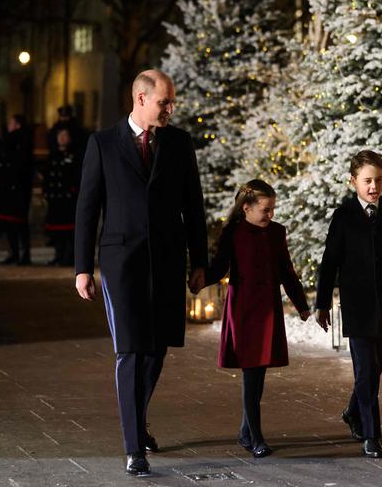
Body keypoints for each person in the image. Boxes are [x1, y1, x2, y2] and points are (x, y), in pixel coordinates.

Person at [74, 70, 209, 476]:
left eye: (172, 103)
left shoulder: (179, 142)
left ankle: (137, 415)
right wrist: (83, 268)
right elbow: (87, 208)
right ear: (140, 98)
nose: (171, 109)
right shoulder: (102, 144)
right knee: (130, 350)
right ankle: (134, 447)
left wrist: (199, 261)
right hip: (121, 262)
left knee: (157, 349)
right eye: (164, 102)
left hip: (167, 260)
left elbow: (194, 206)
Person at [315, 150, 382, 458]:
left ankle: (353, 411)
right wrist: (322, 303)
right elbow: (329, 262)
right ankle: (371, 434)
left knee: (376, 367)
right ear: (354, 182)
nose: (373, 186)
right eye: (367, 181)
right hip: (356, 306)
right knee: (364, 370)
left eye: (378, 180)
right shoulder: (343, 216)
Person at [205, 179, 310, 458]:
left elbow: (287, 271)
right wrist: (198, 280)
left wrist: (302, 305)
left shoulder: (276, 232)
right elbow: (218, 268)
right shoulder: (234, 233)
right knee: (251, 374)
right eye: (265, 209)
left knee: (258, 374)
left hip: (268, 309)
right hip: (243, 311)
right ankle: (256, 438)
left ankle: (245, 431)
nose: (270, 215)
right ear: (247, 208)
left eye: (273, 209)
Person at [42, 128, 81, 266]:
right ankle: (58, 255)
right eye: (60, 135)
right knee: (56, 230)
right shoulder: (53, 155)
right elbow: (47, 176)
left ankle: (69, 257)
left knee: (69, 230)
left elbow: (78, 175)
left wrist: (74, 191)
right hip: (55, 199)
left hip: (68, 199)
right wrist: (46, 192)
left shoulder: (75, 155)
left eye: (65, 135)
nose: (62, 138)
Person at [2, 115, 34, 264]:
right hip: (11, 187)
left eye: (11, 122)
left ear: (18, 125)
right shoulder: (13, 140)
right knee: (10, 222)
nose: (8, 125)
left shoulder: (20, 141)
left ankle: (23, 253)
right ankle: (16, 252)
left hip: (19, 188)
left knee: (20, 223)